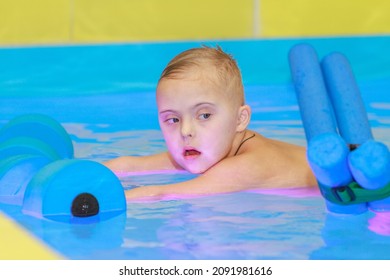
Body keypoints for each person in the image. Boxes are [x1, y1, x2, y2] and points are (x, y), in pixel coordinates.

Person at [104, 46, 318, 201]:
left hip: (345, 186)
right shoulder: (211, 148)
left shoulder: (246, 166)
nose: (186, 131)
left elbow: (163, 193)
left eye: (204, 116)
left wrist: (93, 202)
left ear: (240, 119)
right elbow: (131, 164)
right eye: (173, 119)